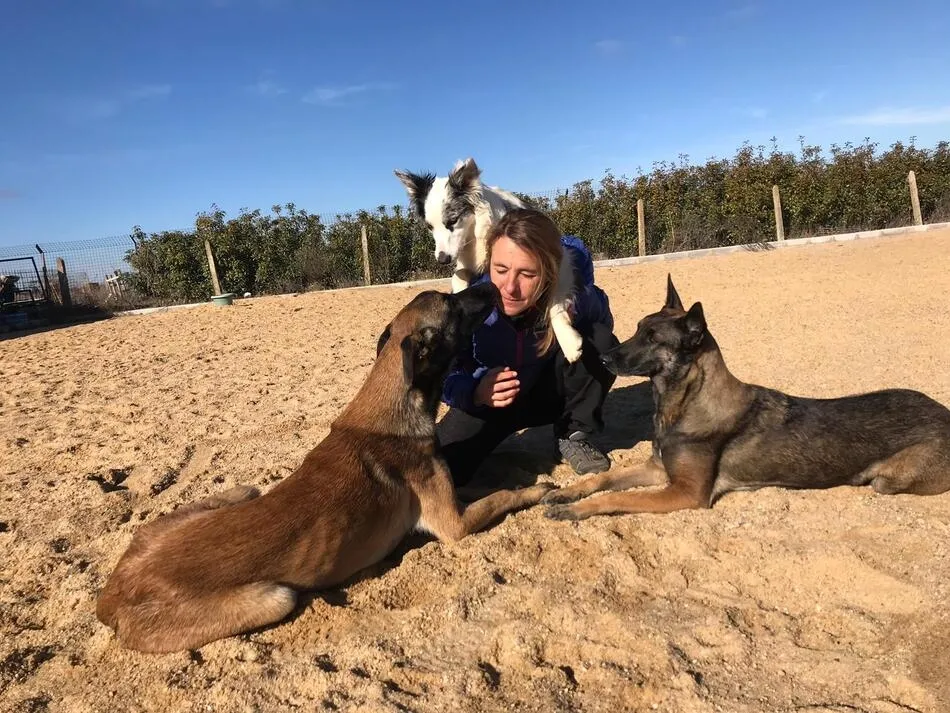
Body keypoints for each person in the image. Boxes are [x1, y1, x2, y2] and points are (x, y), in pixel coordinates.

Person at [436, 207, 620, 486]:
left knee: (599, 340)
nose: (510, 287)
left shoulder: (563, 295)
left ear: (549, 272)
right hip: (492, 402)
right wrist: (475, 391)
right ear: (488, 263)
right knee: (440, 471)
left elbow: (604, 324)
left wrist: (574, 304)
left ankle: (572, 434)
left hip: (547, 394)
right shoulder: (467, 306)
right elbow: (443, 375)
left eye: (527, 274)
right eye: (500, 270)